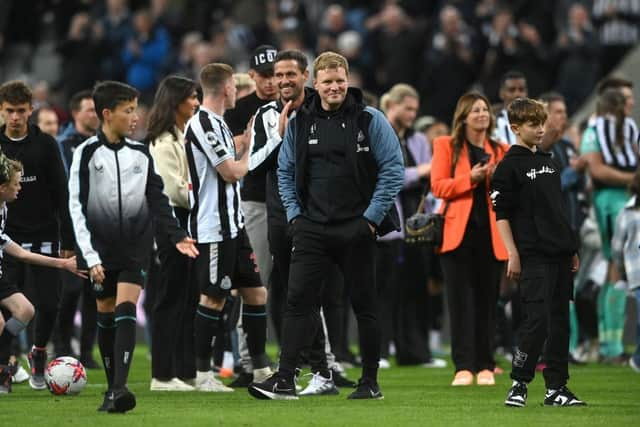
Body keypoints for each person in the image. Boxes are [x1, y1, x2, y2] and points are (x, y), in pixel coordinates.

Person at [248, 51, 404, 400]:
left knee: (364, 305)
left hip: (356, 227)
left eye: (339, 80)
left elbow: (393, 170)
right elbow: (284, 172)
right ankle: (286, 379)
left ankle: (370, 381)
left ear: (347, 81)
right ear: (314, 84)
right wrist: (296, 217)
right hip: (312, 228)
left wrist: (369, 219)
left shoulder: (370, 119)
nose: (334, 87)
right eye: (327, 82)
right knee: (297, 301)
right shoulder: (301, 122)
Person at [68, 80, 198, 413]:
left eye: (135, 110)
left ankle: (119, 388)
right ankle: (112, 389)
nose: (135, 117)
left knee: (126, 308)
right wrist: (88, 255)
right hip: (99, 250)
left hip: (135, 248)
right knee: (106, 314)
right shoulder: (85, 154)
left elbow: (158, 200)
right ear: (107, 114)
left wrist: (177, 235)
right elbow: (76, 206)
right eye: (128, 111)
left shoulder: (141, 153)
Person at [247, 49, 355, 394]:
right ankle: (320, 369)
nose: (282, 81)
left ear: (305, 76)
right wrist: (279, 137)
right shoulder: (264, 115)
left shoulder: (319, 109)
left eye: (289, 75)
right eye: (278, 76)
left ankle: (306, 369)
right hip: (279, 214)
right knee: (290, 292)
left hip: (315, 214)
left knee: (304, 291)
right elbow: (255, 166)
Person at [492, 97, 586, 407]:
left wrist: (571, 247)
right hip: (532, 255)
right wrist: (513, 253)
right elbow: (501, 214)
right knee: (537, 321)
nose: (541, 129)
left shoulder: (549, 161)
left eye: (542, 123)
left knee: (560, 322)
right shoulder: (507, 167)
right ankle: (519, 383)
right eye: (534, 124)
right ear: (515, 128)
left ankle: (556, 388)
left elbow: (558, 210)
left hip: (559, 253)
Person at [183, 63, 271, 393]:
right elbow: (231, 172)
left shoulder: (217, 123)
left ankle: (261, 369)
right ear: (225, 87)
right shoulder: (203, 123)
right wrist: (256, 149)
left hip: (234, 224)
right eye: (236, 85)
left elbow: (227, 155)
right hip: (214, 227)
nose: (238, 90)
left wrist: (243, 142)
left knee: (256, 292)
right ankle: (203, 373)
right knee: (213, 298)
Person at [0, 80, 75, 391]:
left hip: (45, 232)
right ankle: (6, 364)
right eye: (9, 111)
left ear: (31, 111)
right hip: (6, 235)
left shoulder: (45, 145)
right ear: (1, 111)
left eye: (21, 111)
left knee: (47, 304)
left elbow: (62, 192)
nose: (15, 117)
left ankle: (39, 352)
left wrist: (68, 241)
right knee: (10, 307)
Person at [430, 92, 508, 387]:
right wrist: (471, 179)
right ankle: (463, 366)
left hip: (491, 235)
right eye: (475, 110)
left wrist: (496, 178)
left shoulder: (502, 149)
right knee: (460, 304)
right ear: (462, 117)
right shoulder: (446, 146)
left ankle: (486, 365)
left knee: (489, 302)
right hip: (456, 236)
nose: (481, 115)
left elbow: (512, 192)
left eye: (484, 110)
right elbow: (438, 187)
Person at [0, 155, 86, 394]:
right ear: (2, 187)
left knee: (25, 310)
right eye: (16, 183)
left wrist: (62, 264)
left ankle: (5, 360)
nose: (20, 187)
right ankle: (3, 368)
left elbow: (21, 253)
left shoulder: (3, 209)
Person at [379, 83, 446, 368]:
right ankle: (380, 351)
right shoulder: (379, 134)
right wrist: (419, 172)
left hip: (418, 223)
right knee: (385, 291)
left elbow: (433, 174)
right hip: (389, 224)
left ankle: (416, 353)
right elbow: (385, 175)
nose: (411, 114)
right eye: (407, 108)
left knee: (417, 289)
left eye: (414, 110)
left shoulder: (418, 139)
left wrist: (427, 173)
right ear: (391, 106)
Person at [223, 45, 278, 385]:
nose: (272, 82)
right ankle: (247, 361)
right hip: (255, 202)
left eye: (277, 74)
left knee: (305, 284)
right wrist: (244, 141)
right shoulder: (240, 109)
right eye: (265, 75)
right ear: (253, 77)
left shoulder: (299, 103)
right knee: (254, 283)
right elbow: (225, 156)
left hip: (294, 204)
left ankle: (320, 361)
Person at [146, 75, 200, 391]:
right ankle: (162, 375)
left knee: (186, 298)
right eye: (192, 97)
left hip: (185, 224)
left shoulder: (180, 138)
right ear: (176, 102)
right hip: (170, 226)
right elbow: (174, 192)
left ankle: (184, 370)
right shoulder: (163, 143)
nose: (196, 103)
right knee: (169, 298)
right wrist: (200, 190)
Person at [581, 88, 637, 364]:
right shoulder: (594, 131)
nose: (630, 105)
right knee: (616, 266)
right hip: (609, 200)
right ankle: (610, 346)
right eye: (626, 101)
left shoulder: (629, 129)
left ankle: (609, 342)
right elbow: (597, 170)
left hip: (627, 199)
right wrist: (632, 178)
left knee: (619, 269)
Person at [54, 89, 101, 369]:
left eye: (96, 110)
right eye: (89, 110)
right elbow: (63, 189)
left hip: (98, 228)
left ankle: (86, 351)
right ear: (75, 113)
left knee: (95, 293)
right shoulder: (63, 144)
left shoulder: (102, 143)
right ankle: (61, 345)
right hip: (71, 227)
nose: (94, 115)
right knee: (70, 290)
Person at [610, 166, 640, 373]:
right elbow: (617, 246)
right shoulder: (627, 212)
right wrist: (620, 268)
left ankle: (637, 358)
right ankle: (638, 359)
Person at [494, 71, 528, 145]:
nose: (517, 94)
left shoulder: (535, 122)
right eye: (512, 90)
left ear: (526, 93)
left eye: (521, 90)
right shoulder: (492, 123)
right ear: (501, 93)